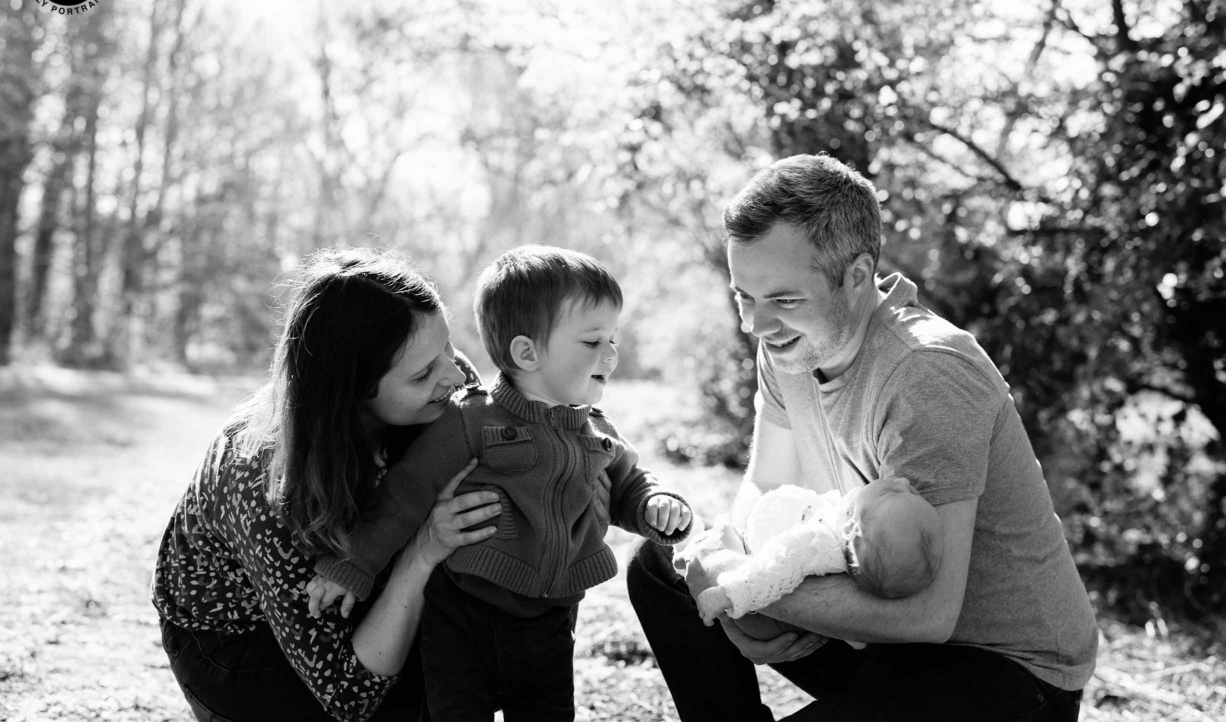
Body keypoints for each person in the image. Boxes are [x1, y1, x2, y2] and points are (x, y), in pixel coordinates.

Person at [626, 154, 1098, 722]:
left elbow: (930, 614)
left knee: (711, 578)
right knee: (660, 566)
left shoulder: (927, 372)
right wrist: (732, 581)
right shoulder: (787, 345)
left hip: (1001, 667)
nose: (756, 324)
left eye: (784, 299)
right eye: (744, 296)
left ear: (856, 275)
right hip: (877, 636)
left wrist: (745, 589)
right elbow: (768, 483)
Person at [309, 244, 693, 721]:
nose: (611, 356)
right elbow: (406, 493)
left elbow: (629, 481)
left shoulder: (593, 428)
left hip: (550, 620)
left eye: (612, 339)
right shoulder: (472, 421)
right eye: (593, 342)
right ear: (527, 352)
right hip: (464, 616)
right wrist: (353, 565)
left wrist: (656, 502)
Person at [152, 248, 519, 722]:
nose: (454, 374)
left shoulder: (443, 380)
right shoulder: (266, 483)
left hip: (365, 582)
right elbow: (349, 695)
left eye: (448, 347)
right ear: (352, 390)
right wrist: (423, 550)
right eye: (424, 373)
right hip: (239, 641)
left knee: (465, 665)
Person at [691, 478, 943, 628]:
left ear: (851, 526)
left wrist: (730, 593)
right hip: (757, 530)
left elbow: (773, 567)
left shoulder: (815, 543)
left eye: (894, 491)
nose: (904, 481)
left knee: (710, 539)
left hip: (751, 544)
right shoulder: (864, 542)